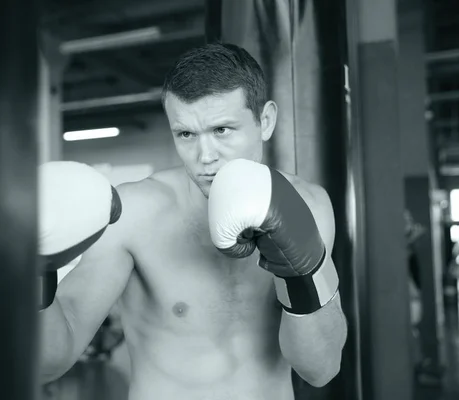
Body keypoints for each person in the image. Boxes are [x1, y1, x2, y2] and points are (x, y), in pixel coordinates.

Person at [39, 43, 348, 400]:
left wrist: (302, 271)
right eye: (186, 134)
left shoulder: (308, 204)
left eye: (222, 130)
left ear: (265, 121)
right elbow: (51, 362)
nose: (205, 157)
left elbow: (322, 369)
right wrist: (34, 275)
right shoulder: (136, 213)